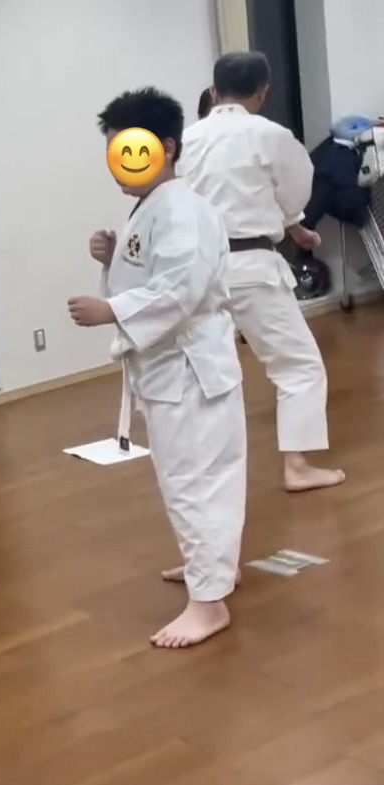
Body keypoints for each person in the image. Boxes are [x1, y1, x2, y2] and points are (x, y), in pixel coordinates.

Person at [68, 87, 246, 649]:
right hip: (180, 366)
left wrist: (111, 310)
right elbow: (157, 273)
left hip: (188, 367)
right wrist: (114, 256)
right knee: (202, 478)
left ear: (165, 148)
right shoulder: (155, 207)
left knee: (193, 482)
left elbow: (181, 288)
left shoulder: (180, 209)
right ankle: (212, 570)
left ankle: (208, 602)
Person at [179, 51, 345, 493]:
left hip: (199, 270)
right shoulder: (270, 135)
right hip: (251, 266)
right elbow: (295, 190)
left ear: (214, 92)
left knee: (208, 374)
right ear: (263, 92)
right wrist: (292, 220)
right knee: (299, 367)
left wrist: (294, 227)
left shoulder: (187, 140)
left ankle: (204, 473)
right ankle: (297, 466)